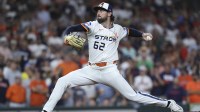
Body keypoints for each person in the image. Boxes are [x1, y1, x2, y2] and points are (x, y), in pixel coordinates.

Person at [42, 2, 183, 112]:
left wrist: (142, 35)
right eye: (97, 10)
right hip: (91, 70)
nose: (98, 12)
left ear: (109, 13)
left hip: (109, 70)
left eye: (102, 10)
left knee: (132, 96)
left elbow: (129, 31)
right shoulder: (92, 25)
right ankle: (46, 110)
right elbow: (72, 28)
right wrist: (67, 34)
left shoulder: (118, 29)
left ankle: (168, 103)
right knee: (62, 81)